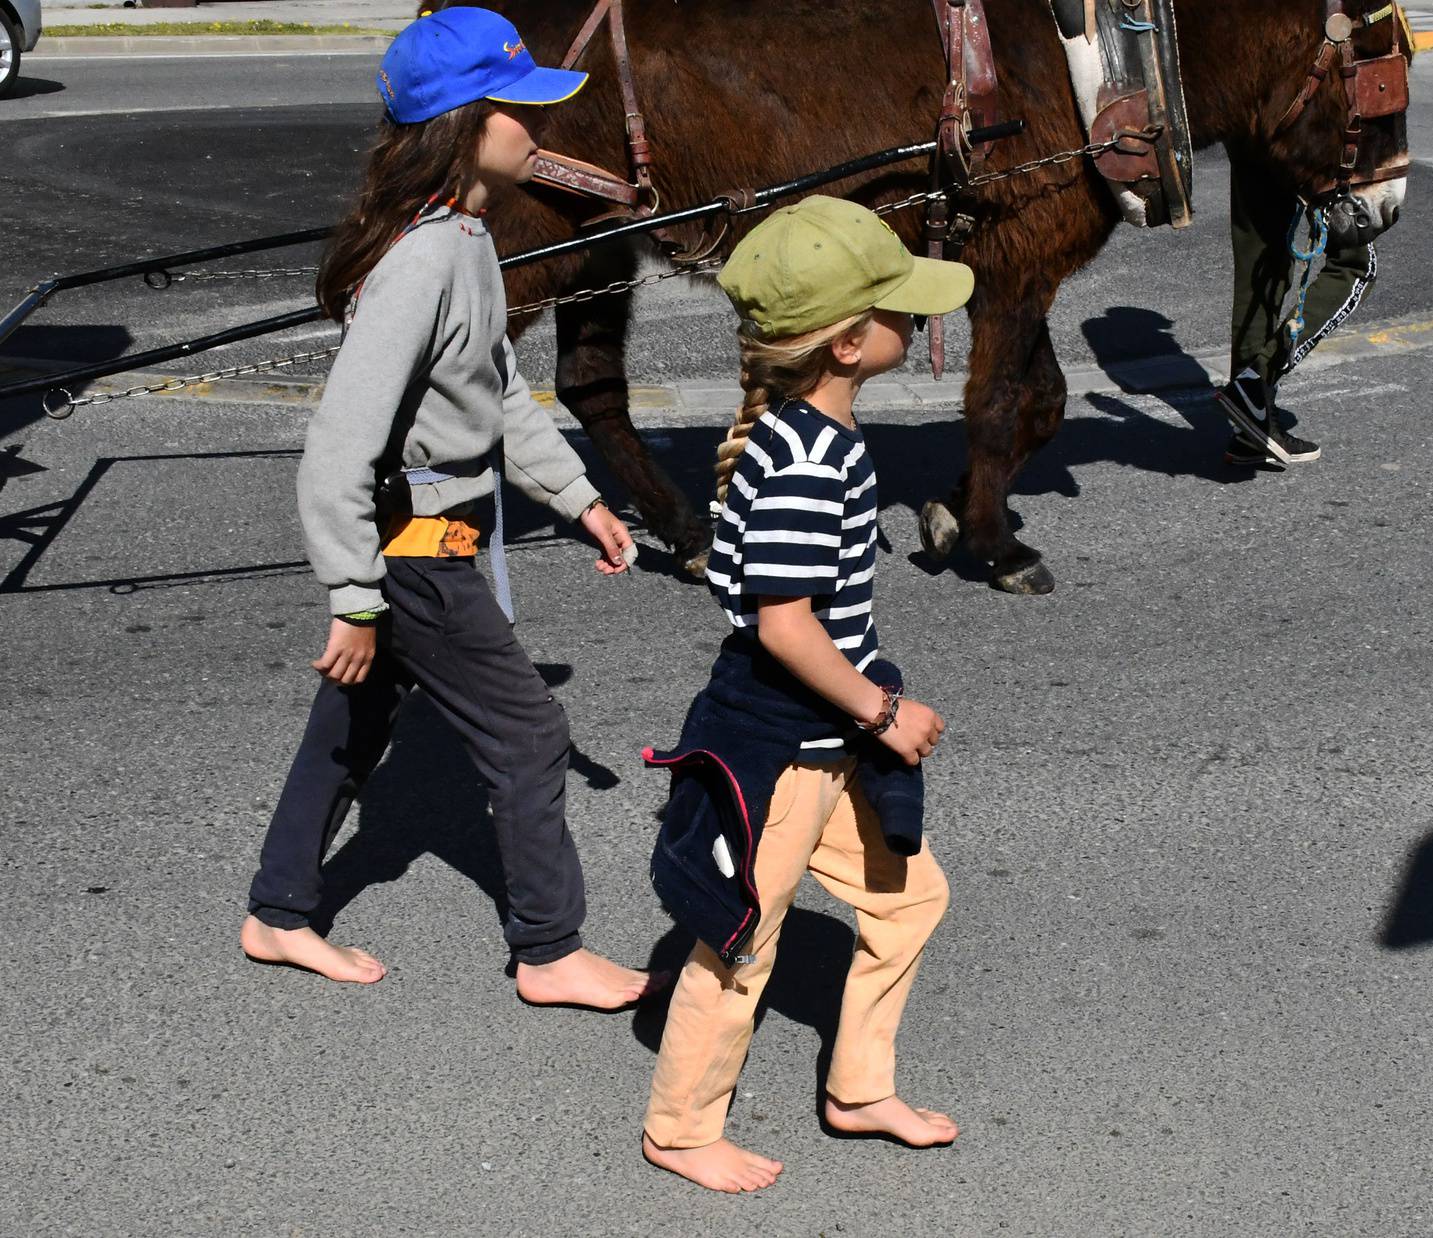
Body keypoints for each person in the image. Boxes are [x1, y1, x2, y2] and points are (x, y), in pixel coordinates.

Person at [240, 7, 666, 1011]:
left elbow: (499, 389)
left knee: (349, 725)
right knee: (527, 732)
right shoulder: (425, 258)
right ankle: (550, 948)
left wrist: (577, 498)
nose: (541, 130)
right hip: (416, 539)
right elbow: (338, 449)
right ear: (465, 124)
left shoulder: (466, 234)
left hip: (437, 531)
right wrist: (352, 595)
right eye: (522, 110)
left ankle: (276, 909)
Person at [637, 196, 967, 1193]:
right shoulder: (811, 461)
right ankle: (682, 1128)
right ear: (853, 343)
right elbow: (783, 625)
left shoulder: (800, 433)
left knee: (911, 898)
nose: (917, 323)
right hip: (786, 743)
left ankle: (859, 1086)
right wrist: (880, 711)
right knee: (740, 939)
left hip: (824, 739)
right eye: (901, 309)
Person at [1217, 169, 1379, 468]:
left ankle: (1251, 428)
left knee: (1261, 263)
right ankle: (1256, 382)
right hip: (1312, 135)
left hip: (1247, 131)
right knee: (1356, 265)